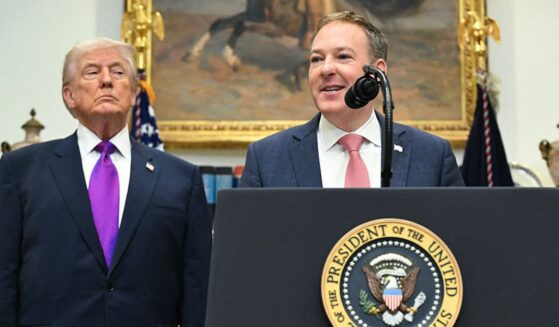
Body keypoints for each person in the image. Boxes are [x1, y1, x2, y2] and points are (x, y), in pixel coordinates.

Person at [0, 38, 211, 326]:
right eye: (92, 72)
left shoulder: (182, 180)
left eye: (118, 72)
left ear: (134, 93)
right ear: (69, 95)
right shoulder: (20, 171)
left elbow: (197, 288)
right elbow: (4, 277)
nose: (107, 81)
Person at [240, 11, 464, 187]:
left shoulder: (432, 155)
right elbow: (246, 244)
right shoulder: (266, 158)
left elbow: (456, 241)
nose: (325, 69)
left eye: (343, 56)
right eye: (316, 59)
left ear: (377, 72)